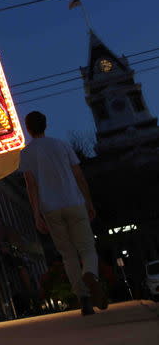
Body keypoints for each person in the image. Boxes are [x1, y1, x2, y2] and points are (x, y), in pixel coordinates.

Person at [20, 110, 108, 316]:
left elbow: (30, 186)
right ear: (46, 125)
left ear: (28, 128)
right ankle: (90, 274)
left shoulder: (26, 153)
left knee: (68, 255)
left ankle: (84, 299)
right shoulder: (62, 145)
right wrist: (88, 201)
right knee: (86, 248)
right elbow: (78, 175)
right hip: (74, 202)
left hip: (50, 208)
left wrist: (36, 214)